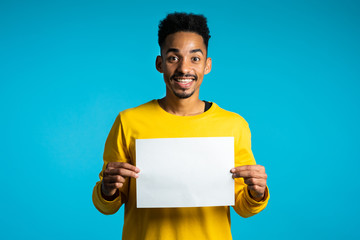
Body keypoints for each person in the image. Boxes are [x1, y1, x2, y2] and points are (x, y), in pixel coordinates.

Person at [92, 12, 269, 240]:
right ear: (160, 63)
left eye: (195, 58)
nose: (184, 68)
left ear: (207, 65)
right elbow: (107, 206)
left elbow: (244, 207)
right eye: (173, 58)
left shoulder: (233, 125)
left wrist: (258, 192)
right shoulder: (129, 121)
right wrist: (107, 190)